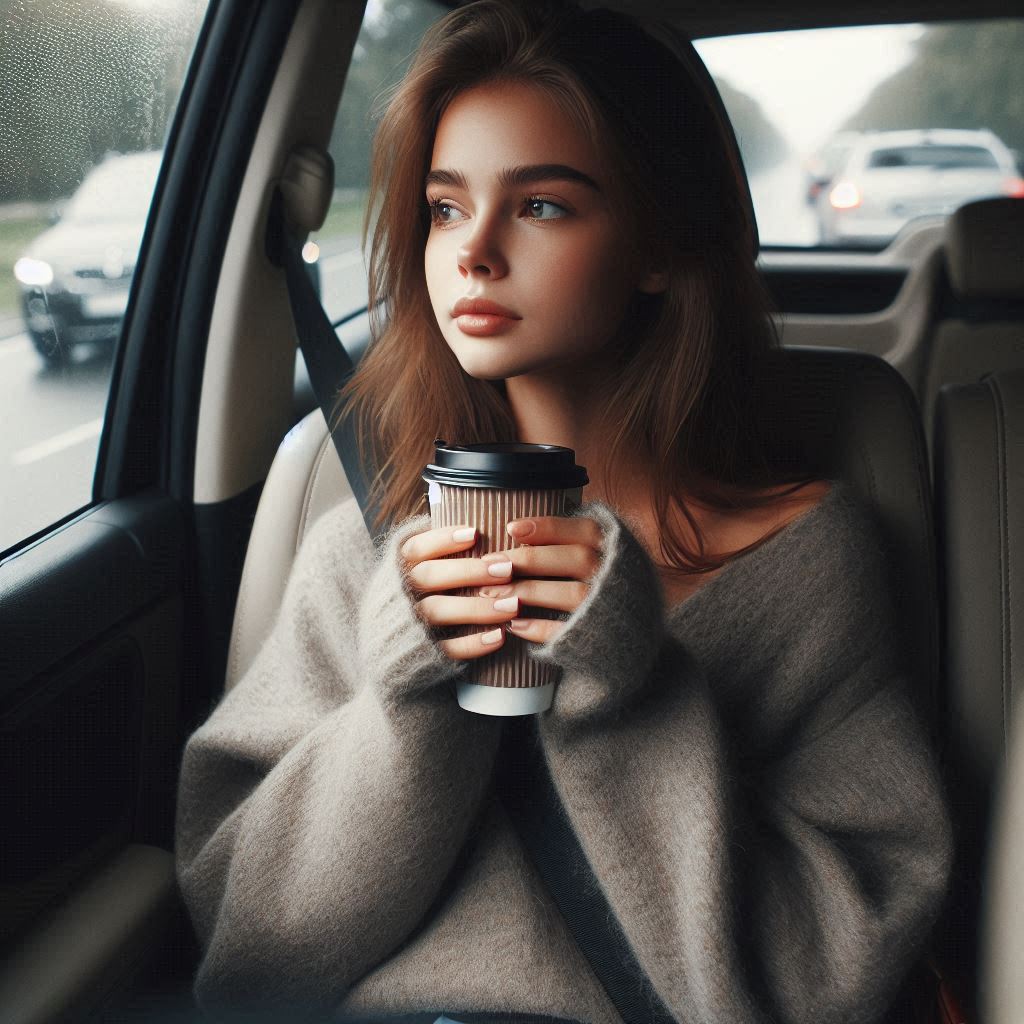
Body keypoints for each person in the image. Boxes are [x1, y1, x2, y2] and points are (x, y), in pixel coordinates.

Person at [174, 2, 954, 1022]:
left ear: (659, 248)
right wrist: (409, 697)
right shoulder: (365, 555)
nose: (475, 253)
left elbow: (828, 979)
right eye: (447, 207)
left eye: (541, 205)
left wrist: (629, 686)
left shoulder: (808, 560)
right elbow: (246, 954)